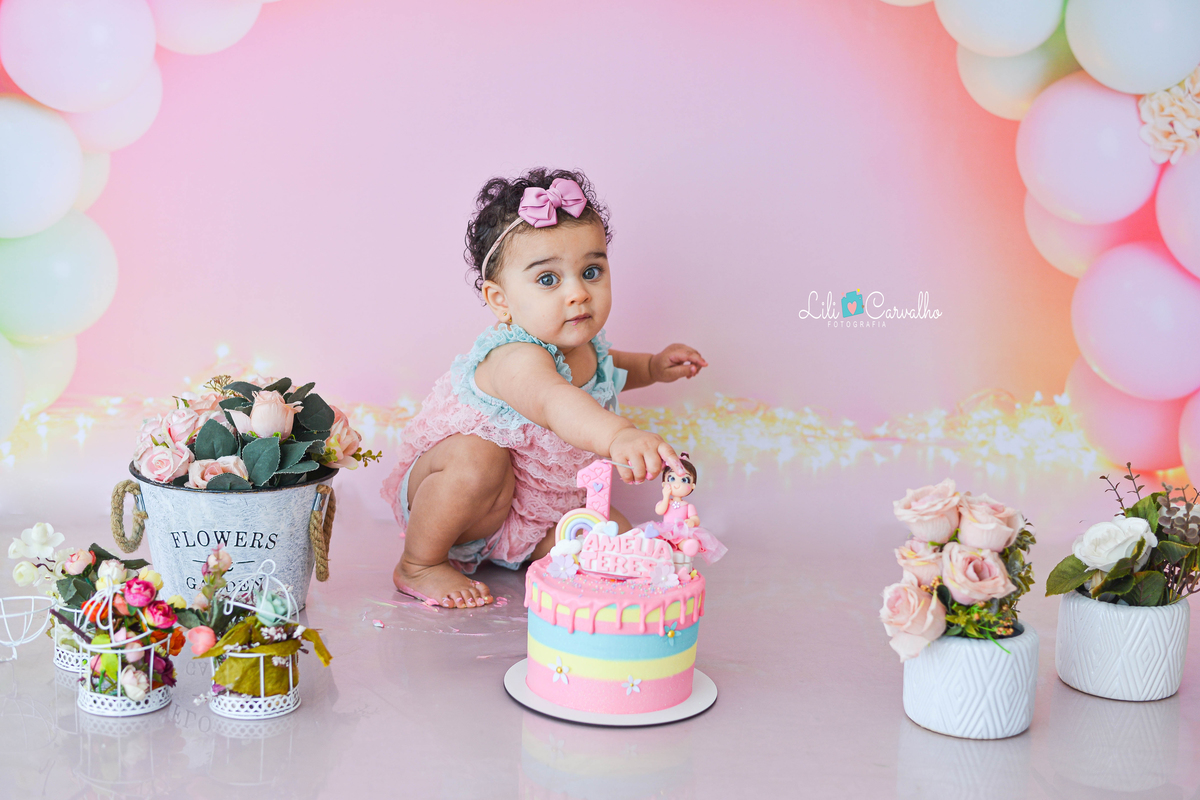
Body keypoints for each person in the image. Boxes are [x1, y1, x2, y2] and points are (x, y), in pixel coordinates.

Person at [381, 168, 707, 609]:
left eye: (591, 271)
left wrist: (653, 366)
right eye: (549, 280)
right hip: (464, 509)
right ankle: (419, 563)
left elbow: (612, 369)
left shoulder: (588, 347)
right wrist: (618, 436)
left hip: (539, 513)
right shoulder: (515, 357)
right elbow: (556, 401)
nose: (578, 293)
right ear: (501, 301)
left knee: (615, 537)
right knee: (477, 457)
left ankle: (533, 555)